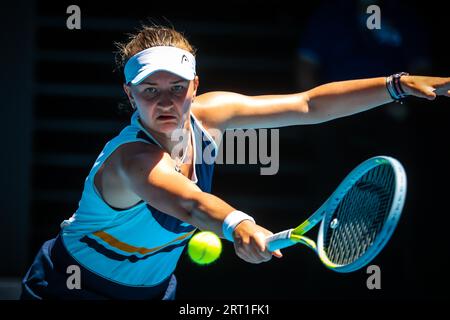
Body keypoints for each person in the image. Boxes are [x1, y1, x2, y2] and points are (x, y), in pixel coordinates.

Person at [21, 24, 450, 300]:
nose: (165, 100)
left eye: (176, 87)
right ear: (129, 95)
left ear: (196, 87)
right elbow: (190, 204)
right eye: (149, 90)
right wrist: (240, 226)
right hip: (70, 289)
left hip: (155, 293)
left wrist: (395, 85)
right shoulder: (132, 160)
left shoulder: (211, 116)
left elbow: (308, 105)